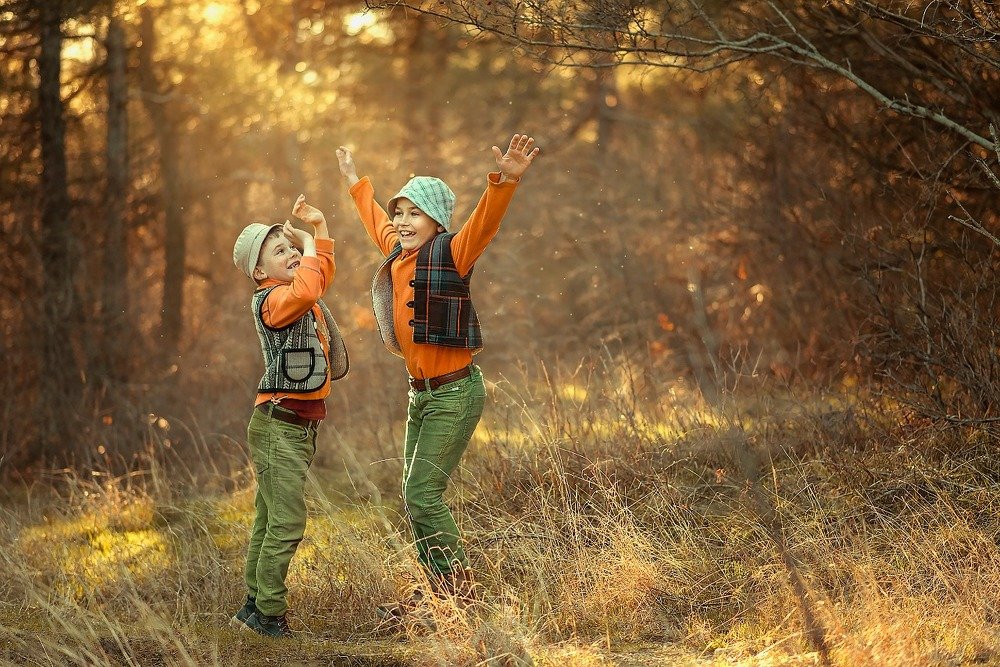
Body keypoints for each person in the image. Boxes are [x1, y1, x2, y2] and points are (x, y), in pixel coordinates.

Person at [336, 134, 539, 618]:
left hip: (455, 393)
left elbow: (484, 223)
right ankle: (439, 591)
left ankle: (459, 594)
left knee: (422, 495)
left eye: (414, 214)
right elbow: (374, 222)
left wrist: (505, 180)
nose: (403, 222)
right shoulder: (397, 254)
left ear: (436, 222)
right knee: (414, 498)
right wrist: (353, 181)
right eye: (400, 212)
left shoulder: (453, 252)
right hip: (420, 397)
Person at [229, 195, 349, 637]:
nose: (293, 254)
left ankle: (253, 605)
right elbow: (311, 286)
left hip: (293, 427)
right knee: (286, 520)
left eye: (291, 248)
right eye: (280, 251)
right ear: (260, 272)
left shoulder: (296, 292)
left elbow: (321, 277)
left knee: (269, 516)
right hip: (279, 425)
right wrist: (311, 251)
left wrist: (317, 232)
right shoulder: (273, 301)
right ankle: (268, 614)